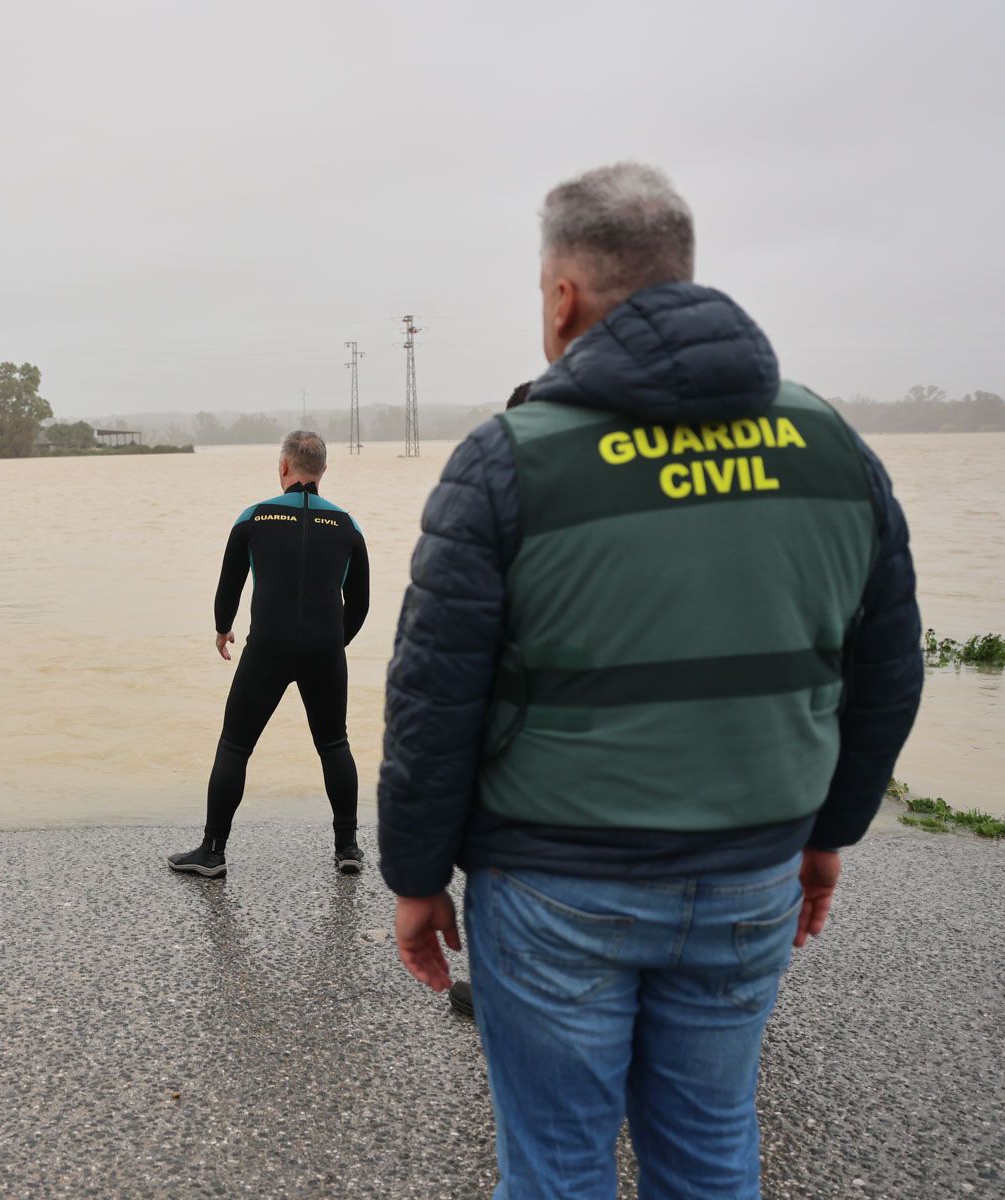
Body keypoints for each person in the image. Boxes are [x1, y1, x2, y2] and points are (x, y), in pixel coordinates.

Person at [379, 162, 922, 1198]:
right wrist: (827, 835)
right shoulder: (831, 445)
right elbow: (886, 671)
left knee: (558, 1168)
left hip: (553, 884)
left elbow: (433, 700)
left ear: (561, 295)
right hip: (751, 872)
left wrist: (415, 876)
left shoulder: (507, 460)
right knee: (711, 1149)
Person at [167, 430, 370, 878]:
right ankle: (348, 848)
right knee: (334, 744)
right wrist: (336, 643)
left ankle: (213, 852)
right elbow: (360, 604)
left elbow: (229, 585)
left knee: (235, 745)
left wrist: (223, 628)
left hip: (268, 649)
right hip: (325, 651)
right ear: (322, 470)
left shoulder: (253, 518)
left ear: (283, 467)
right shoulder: (346, 525)